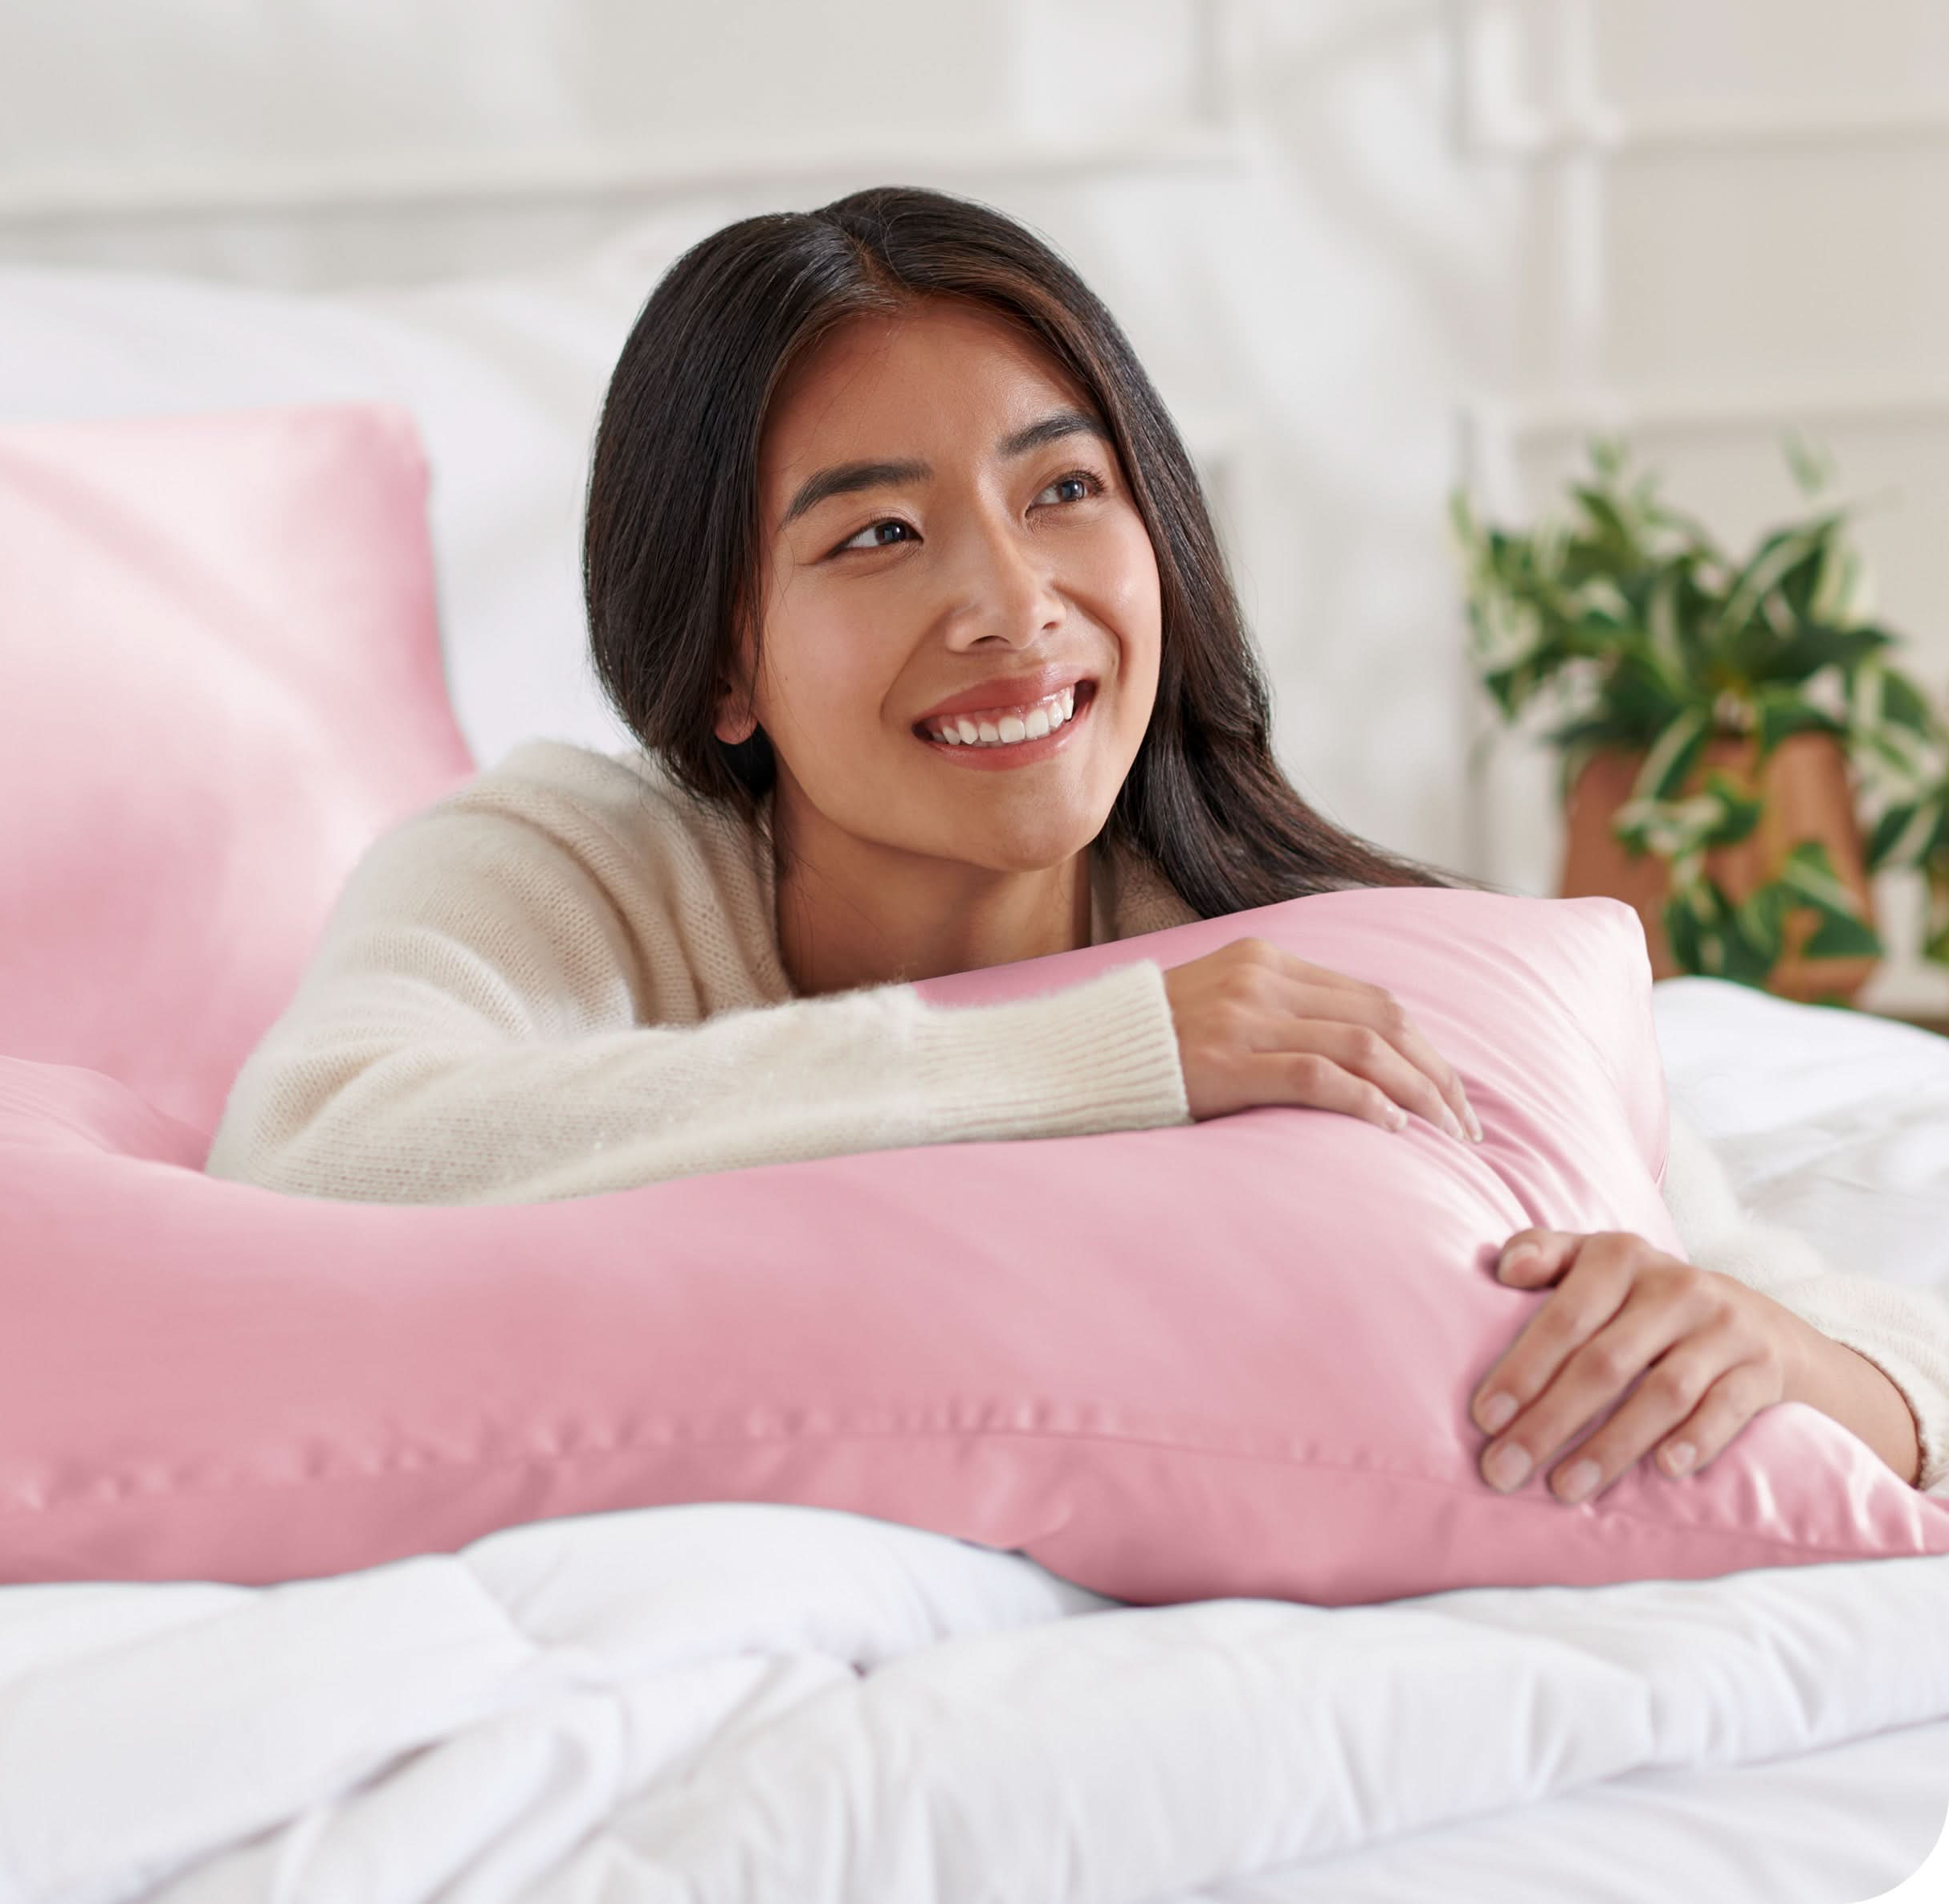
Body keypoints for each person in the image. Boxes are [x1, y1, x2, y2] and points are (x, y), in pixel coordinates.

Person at [204, 184, 1948, 1503]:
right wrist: (1093, 1059)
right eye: (876, 533)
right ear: (723, 655)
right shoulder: (571, 863)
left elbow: (1871, 1354)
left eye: (1062, 491)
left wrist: (1774, 1350)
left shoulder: (1308, 947)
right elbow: (316, 1147)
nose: (1009, 604)